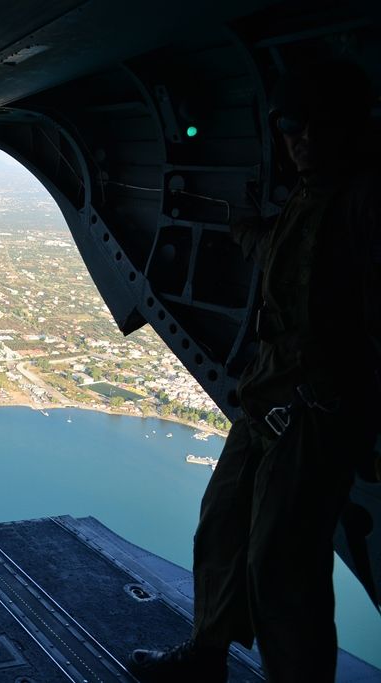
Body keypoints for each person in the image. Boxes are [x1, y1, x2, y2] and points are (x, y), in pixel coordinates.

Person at [128, 60, 380, 682]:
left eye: (319, 124)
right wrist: (244, 230)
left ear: (350, 126)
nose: (303, 137)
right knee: (220, 527)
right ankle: (206, 654)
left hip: (316, 412)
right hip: (266, 400)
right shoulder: (307, 198)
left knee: (283, 565)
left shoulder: (366, 202)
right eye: (291, 124)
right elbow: (283, 251)